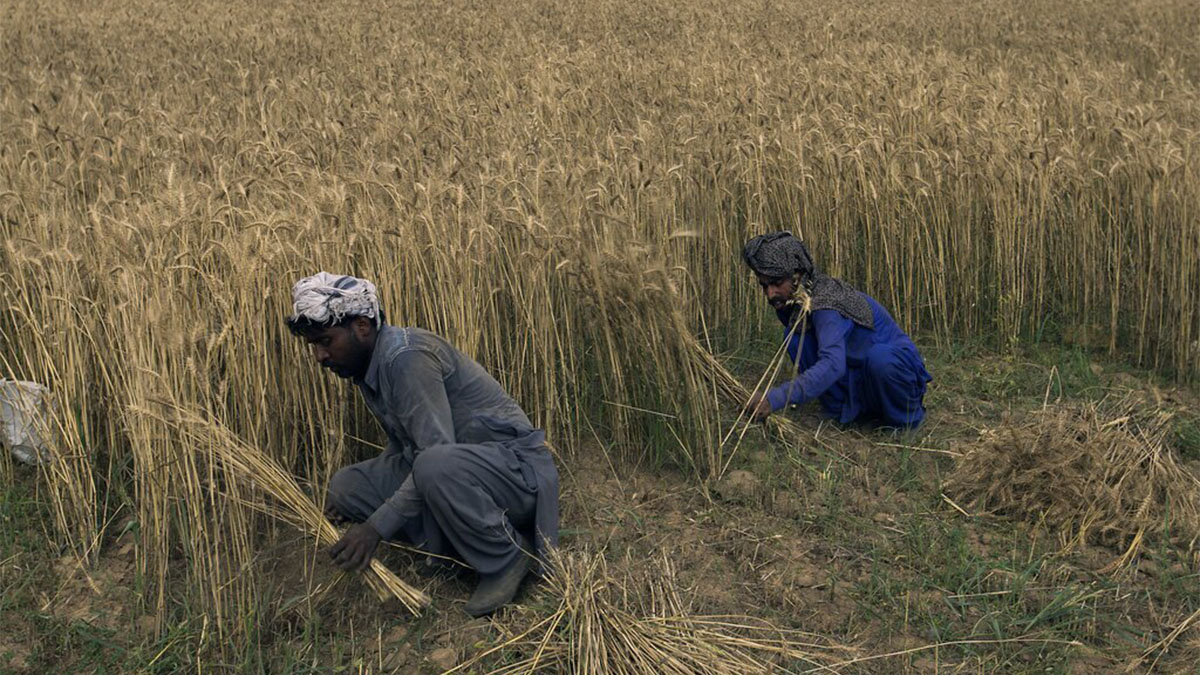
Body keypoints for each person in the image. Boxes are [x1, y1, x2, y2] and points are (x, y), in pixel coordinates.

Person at [285, 272, 559, 617]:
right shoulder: (367, 366)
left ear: (362, 326)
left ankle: (505, 555)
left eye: (326, 341)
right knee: (348, 486)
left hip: (513, 474)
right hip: (462, 471)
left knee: (432, 465)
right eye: (315, 346)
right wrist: (361, 502)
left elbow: (434, 455)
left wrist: (375, 527)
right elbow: (405, 447)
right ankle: (453, 547)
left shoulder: (405, 358)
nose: (320, 357)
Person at [742, 232, 932, 429]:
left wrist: (775, 398)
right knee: (797, 339)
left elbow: (833, 364)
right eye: (764, 285)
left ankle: (906, 420)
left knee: (880, 359)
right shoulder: (794, 302)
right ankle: (846, 411)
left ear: (797, 275)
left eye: (777, 283)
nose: (770, 294)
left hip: (893, 373)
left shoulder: (826, 304)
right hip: (861, 374)